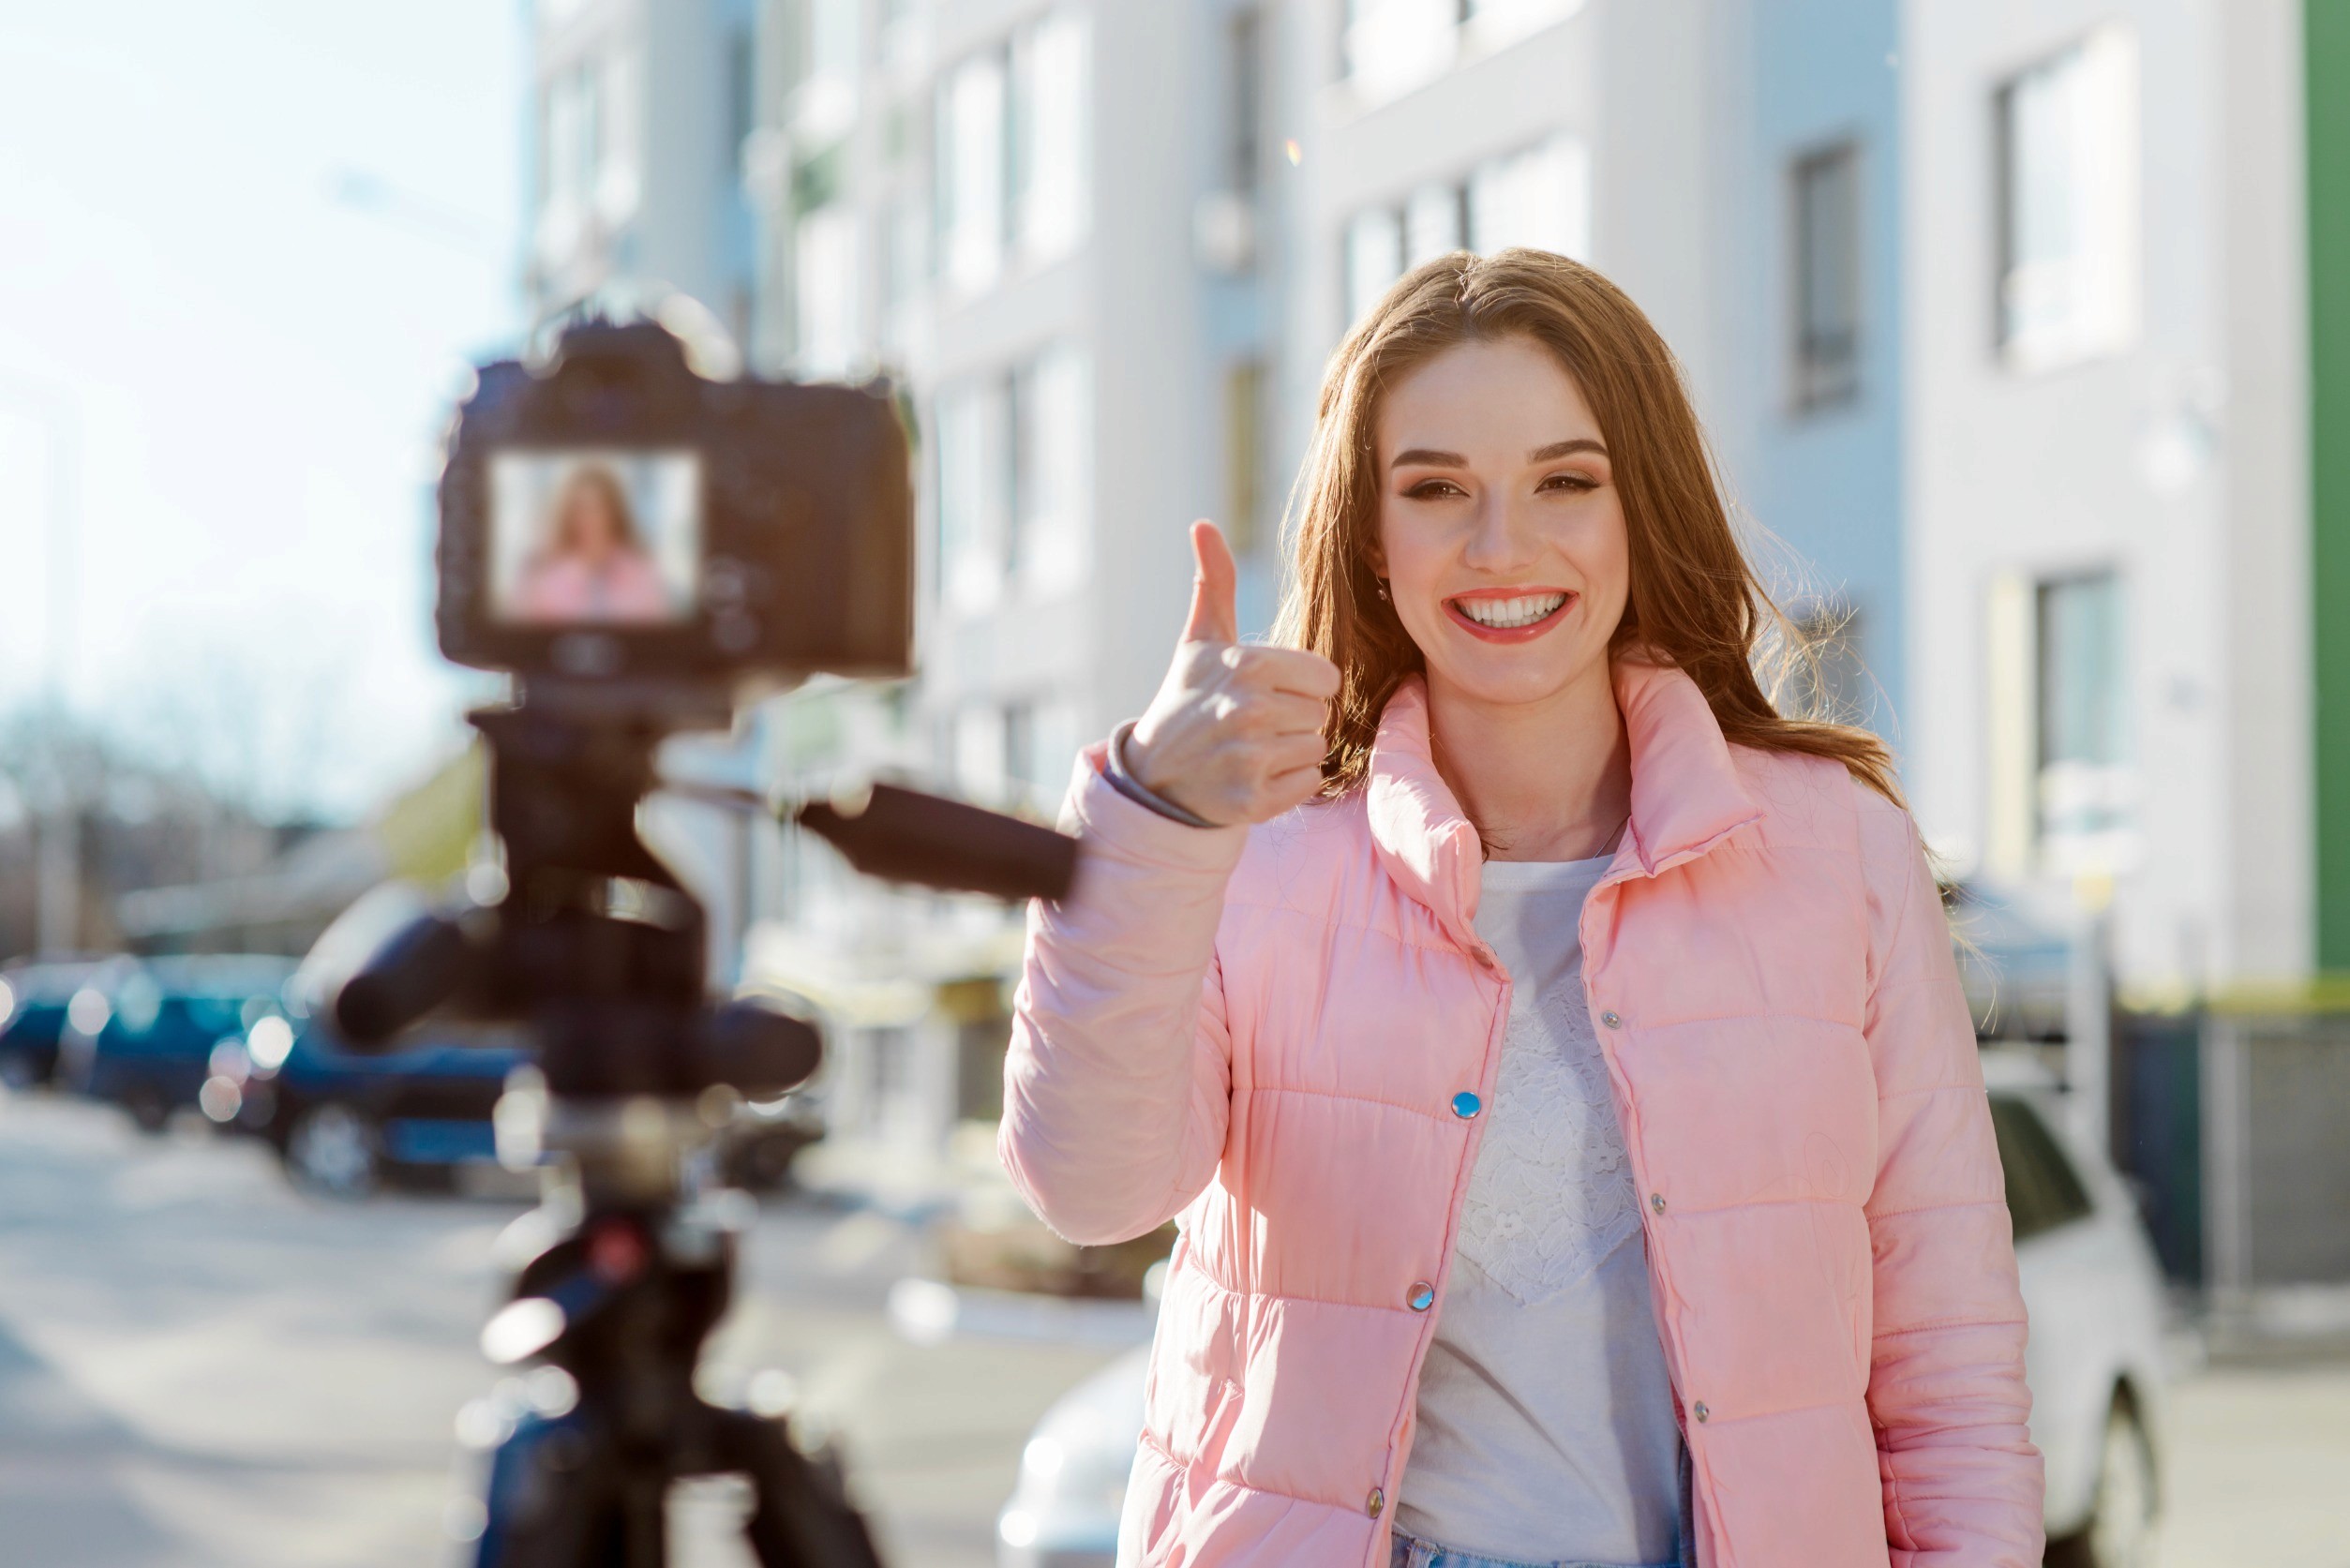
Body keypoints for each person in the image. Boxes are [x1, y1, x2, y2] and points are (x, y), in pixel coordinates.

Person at [999, 249, 2042, 1568]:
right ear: (1369, 536)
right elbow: (1086, 1189)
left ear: (1637, 509)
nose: (1502, 547)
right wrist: (1141, 828)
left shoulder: (1837, 853)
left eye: (1565, 481)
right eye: (1436, 489)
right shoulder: (1247, 857)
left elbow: (1944, 1359)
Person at [508, 461, 676, 624]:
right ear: (568, 514)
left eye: (599, 507)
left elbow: (659, 640)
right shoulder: (543, 577)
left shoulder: (642, 574)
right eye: (580, 508)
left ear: (614, 512)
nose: (590, 519)